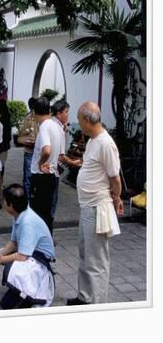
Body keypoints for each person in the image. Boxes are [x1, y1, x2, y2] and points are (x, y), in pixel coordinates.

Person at [67, 102, 124, 306]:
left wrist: (116, 198)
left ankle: (98, 304)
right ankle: (85, 296)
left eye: (79, 119)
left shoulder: (106, 143)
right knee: (85, 255)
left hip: (97, 207)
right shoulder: (92, 140)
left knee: (96, 261)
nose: (78, 123)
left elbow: (115, 178)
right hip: (87, 207)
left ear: (87, 120)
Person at [0, 184, 55, 309]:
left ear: (10, 205)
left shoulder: (27, 222)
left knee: (13, 265)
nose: (3, 202)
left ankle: (26, 295)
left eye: (5, 200)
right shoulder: (19, 214)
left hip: (41, 262)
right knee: (10, 262)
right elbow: (14, 243)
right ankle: (20, 292)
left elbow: (22, 256)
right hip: (31, 254)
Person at [30, 96, 64, 234]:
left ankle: (41, 243)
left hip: (41, 175)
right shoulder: (56, 126)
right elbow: (60, 153)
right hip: (51, 174)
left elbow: (47, 149)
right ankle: (47, 240)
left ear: (34, 112)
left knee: (38, 212)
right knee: (47, 211)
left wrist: (40, 163)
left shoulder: (44, 126)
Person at [50, 100, 82, 218]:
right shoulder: (57, 129)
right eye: (66, 112)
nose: (68, 115)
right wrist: (73, 162)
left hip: (45, 169)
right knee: (51, 204)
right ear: (59, 114)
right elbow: (60, 156)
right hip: (52, 171)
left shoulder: (49, 124)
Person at [17, 97, 38, 200]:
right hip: (35, 151)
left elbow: (20, 134)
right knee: (31, 177)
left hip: (30, 151)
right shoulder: (37, 118)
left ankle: (28, 200)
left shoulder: (28, 117)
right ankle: (29, 199)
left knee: (28, 177)